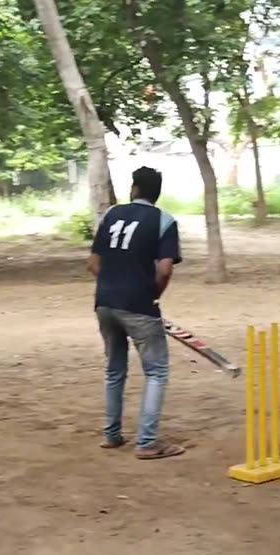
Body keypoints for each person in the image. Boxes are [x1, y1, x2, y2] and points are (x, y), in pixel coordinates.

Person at [88, 167, 185, 460]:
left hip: (104, 302)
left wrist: (112, 287)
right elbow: (165, 269)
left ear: (134, 189)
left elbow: (93, 263)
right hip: (138, 305)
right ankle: (147, 442)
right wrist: (150, 294)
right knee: (156, 372)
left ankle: (111, 435)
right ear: (156, 192)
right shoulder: (164, 220)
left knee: (114, 369)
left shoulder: (111, 215)